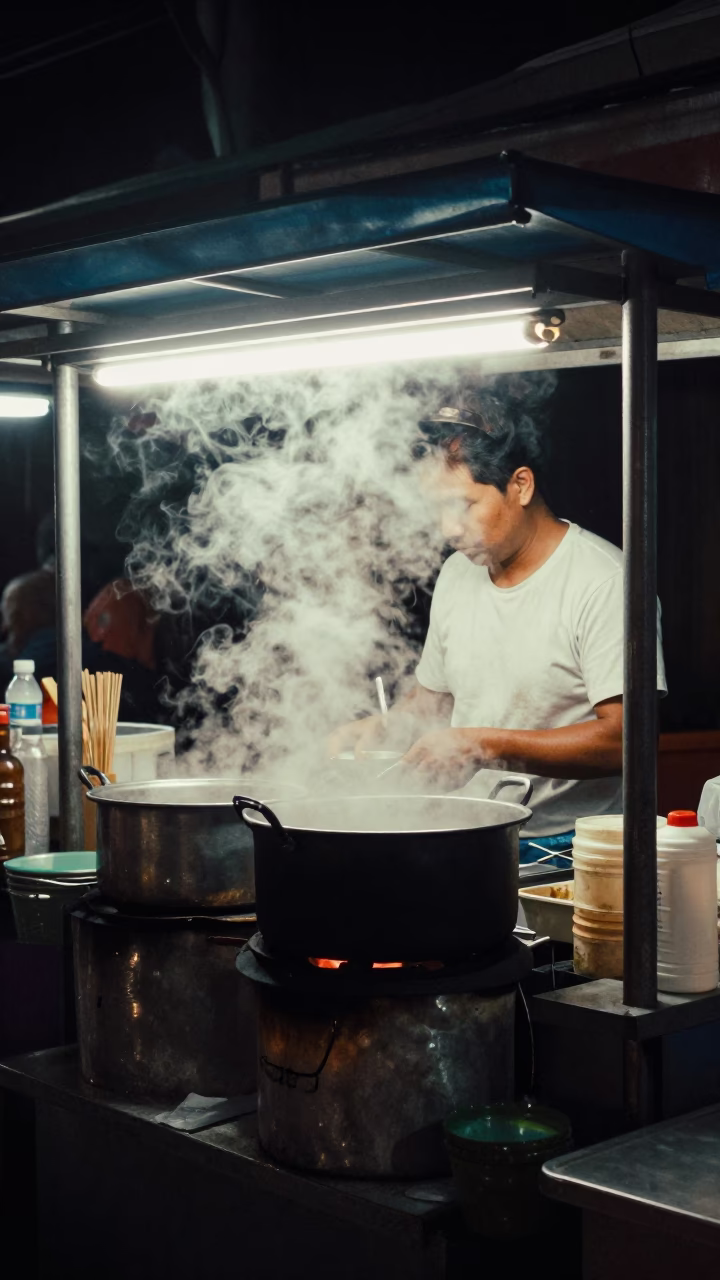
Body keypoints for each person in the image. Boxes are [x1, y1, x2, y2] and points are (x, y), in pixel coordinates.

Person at [330, 393, 667, 862]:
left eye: (463, 505)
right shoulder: (457, 573)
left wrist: (484, 745)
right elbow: (435, 699)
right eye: (436, 510)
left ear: (521, 485)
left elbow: (626, 742)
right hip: (467, 829)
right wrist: (389, 727)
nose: (448, 529)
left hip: (570, 849)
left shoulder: (606, 582)